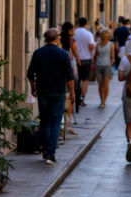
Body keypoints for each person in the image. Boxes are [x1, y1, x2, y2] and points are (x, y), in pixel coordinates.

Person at [26, 28, 75, 166]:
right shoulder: (63, 54)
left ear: (45, 39)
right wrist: (72, 93)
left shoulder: (38, 53)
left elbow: (30, 74)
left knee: (44, 122)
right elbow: (70, 77)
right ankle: (50, 154)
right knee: (55, 123)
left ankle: (45, 150)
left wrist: (33, 88)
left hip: (43, 92)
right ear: (58, 39)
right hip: (58, 93)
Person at [59, 22, 79, 135]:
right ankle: (68, 125)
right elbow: (75, 54)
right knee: (70, 98)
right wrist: (79, 62)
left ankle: (61, 126)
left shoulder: (60, 40)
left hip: (58, 72)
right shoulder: (72, 41)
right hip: (70, 68)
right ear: (70, 29)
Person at [73, 18, 95, 107]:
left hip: (75, 58)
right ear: (86, 24)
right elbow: (91, 46)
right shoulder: (88, 33)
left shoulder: (74, 33)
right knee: (85, 80)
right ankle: (81, 97)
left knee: (78, 79)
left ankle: (76, 96)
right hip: (86, 58)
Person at [92, 29, 116, 108]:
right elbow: (95, 55)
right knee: (100, 84)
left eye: (106, 34)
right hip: (98, 65)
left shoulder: (111, 44)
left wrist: (110, 63)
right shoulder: (98, 44)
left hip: (106, 66)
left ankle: (103, 101)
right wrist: (93, 63)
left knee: (105, 84)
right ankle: (101, 99)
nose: (105, 36)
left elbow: (113, 57)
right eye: (104, 34)